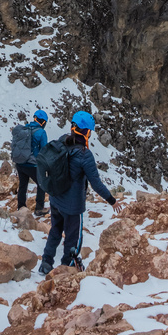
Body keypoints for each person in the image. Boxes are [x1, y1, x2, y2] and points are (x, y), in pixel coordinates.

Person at [39, 110, 122, 275]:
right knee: (73, 239)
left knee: (55, 230)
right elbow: (96, 183)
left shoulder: (62, 142)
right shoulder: (85, 155)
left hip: (56, 199)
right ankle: (66, 269)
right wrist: (112, 200)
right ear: (87, 132)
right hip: (72, 206)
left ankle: (46, 263)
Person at [13, 109, 49, 217]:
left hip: (20, 163)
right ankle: (39, 208)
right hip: (33, 164)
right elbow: (44, 150)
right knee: (41, 183)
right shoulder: (41, 132)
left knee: (23, 185)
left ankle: (21, 208)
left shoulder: (25, 129)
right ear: (43, 122)